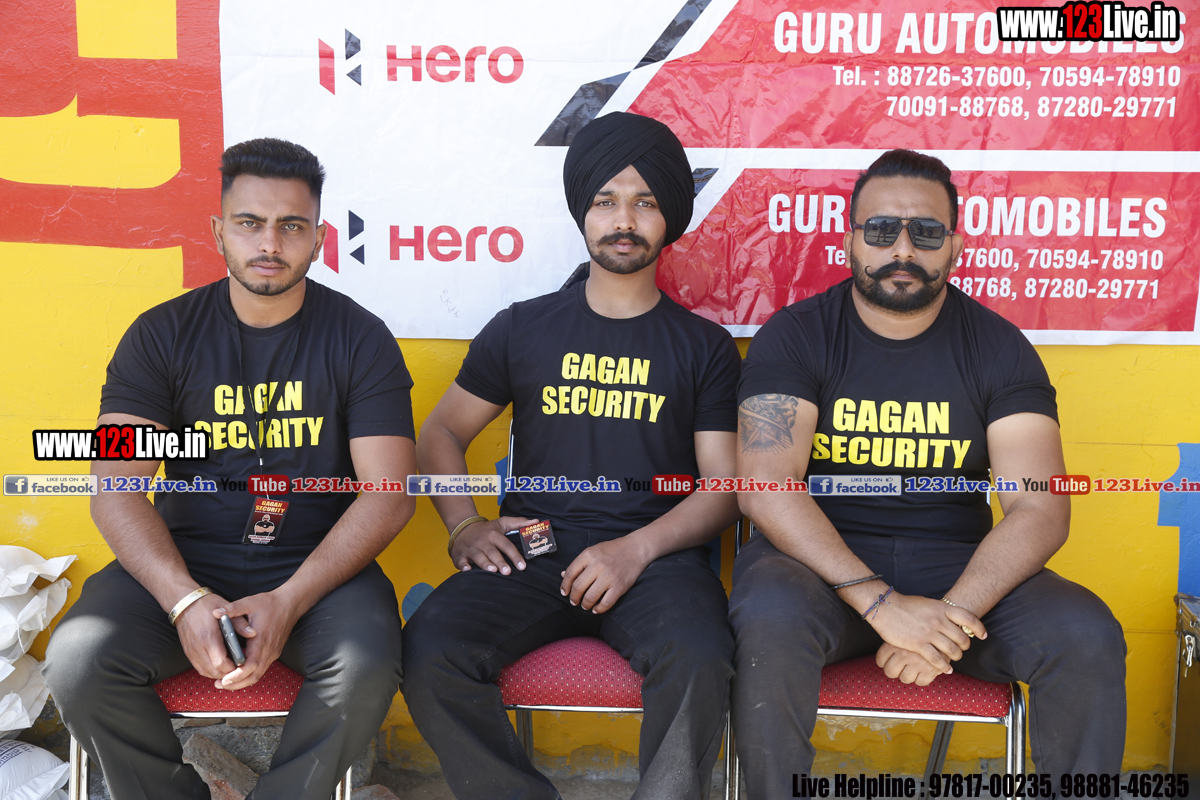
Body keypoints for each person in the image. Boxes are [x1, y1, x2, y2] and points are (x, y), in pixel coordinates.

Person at [731, 149, 1126, 795]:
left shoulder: (998, 348)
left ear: (955, 246)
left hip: (959, 573)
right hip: (818, 567)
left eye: (926, 231)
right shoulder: (796, 336)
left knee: (1085, 633)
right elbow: (766, 486)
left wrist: (949, 619)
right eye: (881, 229)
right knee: (770, 614)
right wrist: (882, 605)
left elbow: (1040, 506)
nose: (903, 249)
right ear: (850, 240)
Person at [45, 138, 417, 800]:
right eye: (250, 222)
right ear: (219, 232)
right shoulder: (161, 334)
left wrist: (289, 601)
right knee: (80, 660)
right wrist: (184, 599)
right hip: (184, 560)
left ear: (319, 239)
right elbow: (116, 488)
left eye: (292, 226)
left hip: (317, 567)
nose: (269, 242)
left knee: (365, 666)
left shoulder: (360, 338)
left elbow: (388, 494)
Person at [402, 111, 741, 800]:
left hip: (657, 559)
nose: (625, 220)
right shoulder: (522, 328)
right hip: (533, 549)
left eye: (646, 202)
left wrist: (635, 551)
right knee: (429, 650)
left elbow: (724, 487)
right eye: (606, 200)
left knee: (702, 657)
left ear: (669, 218)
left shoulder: (703, 347)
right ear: (582, 211)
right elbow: (440, 434)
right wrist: (464, 525)